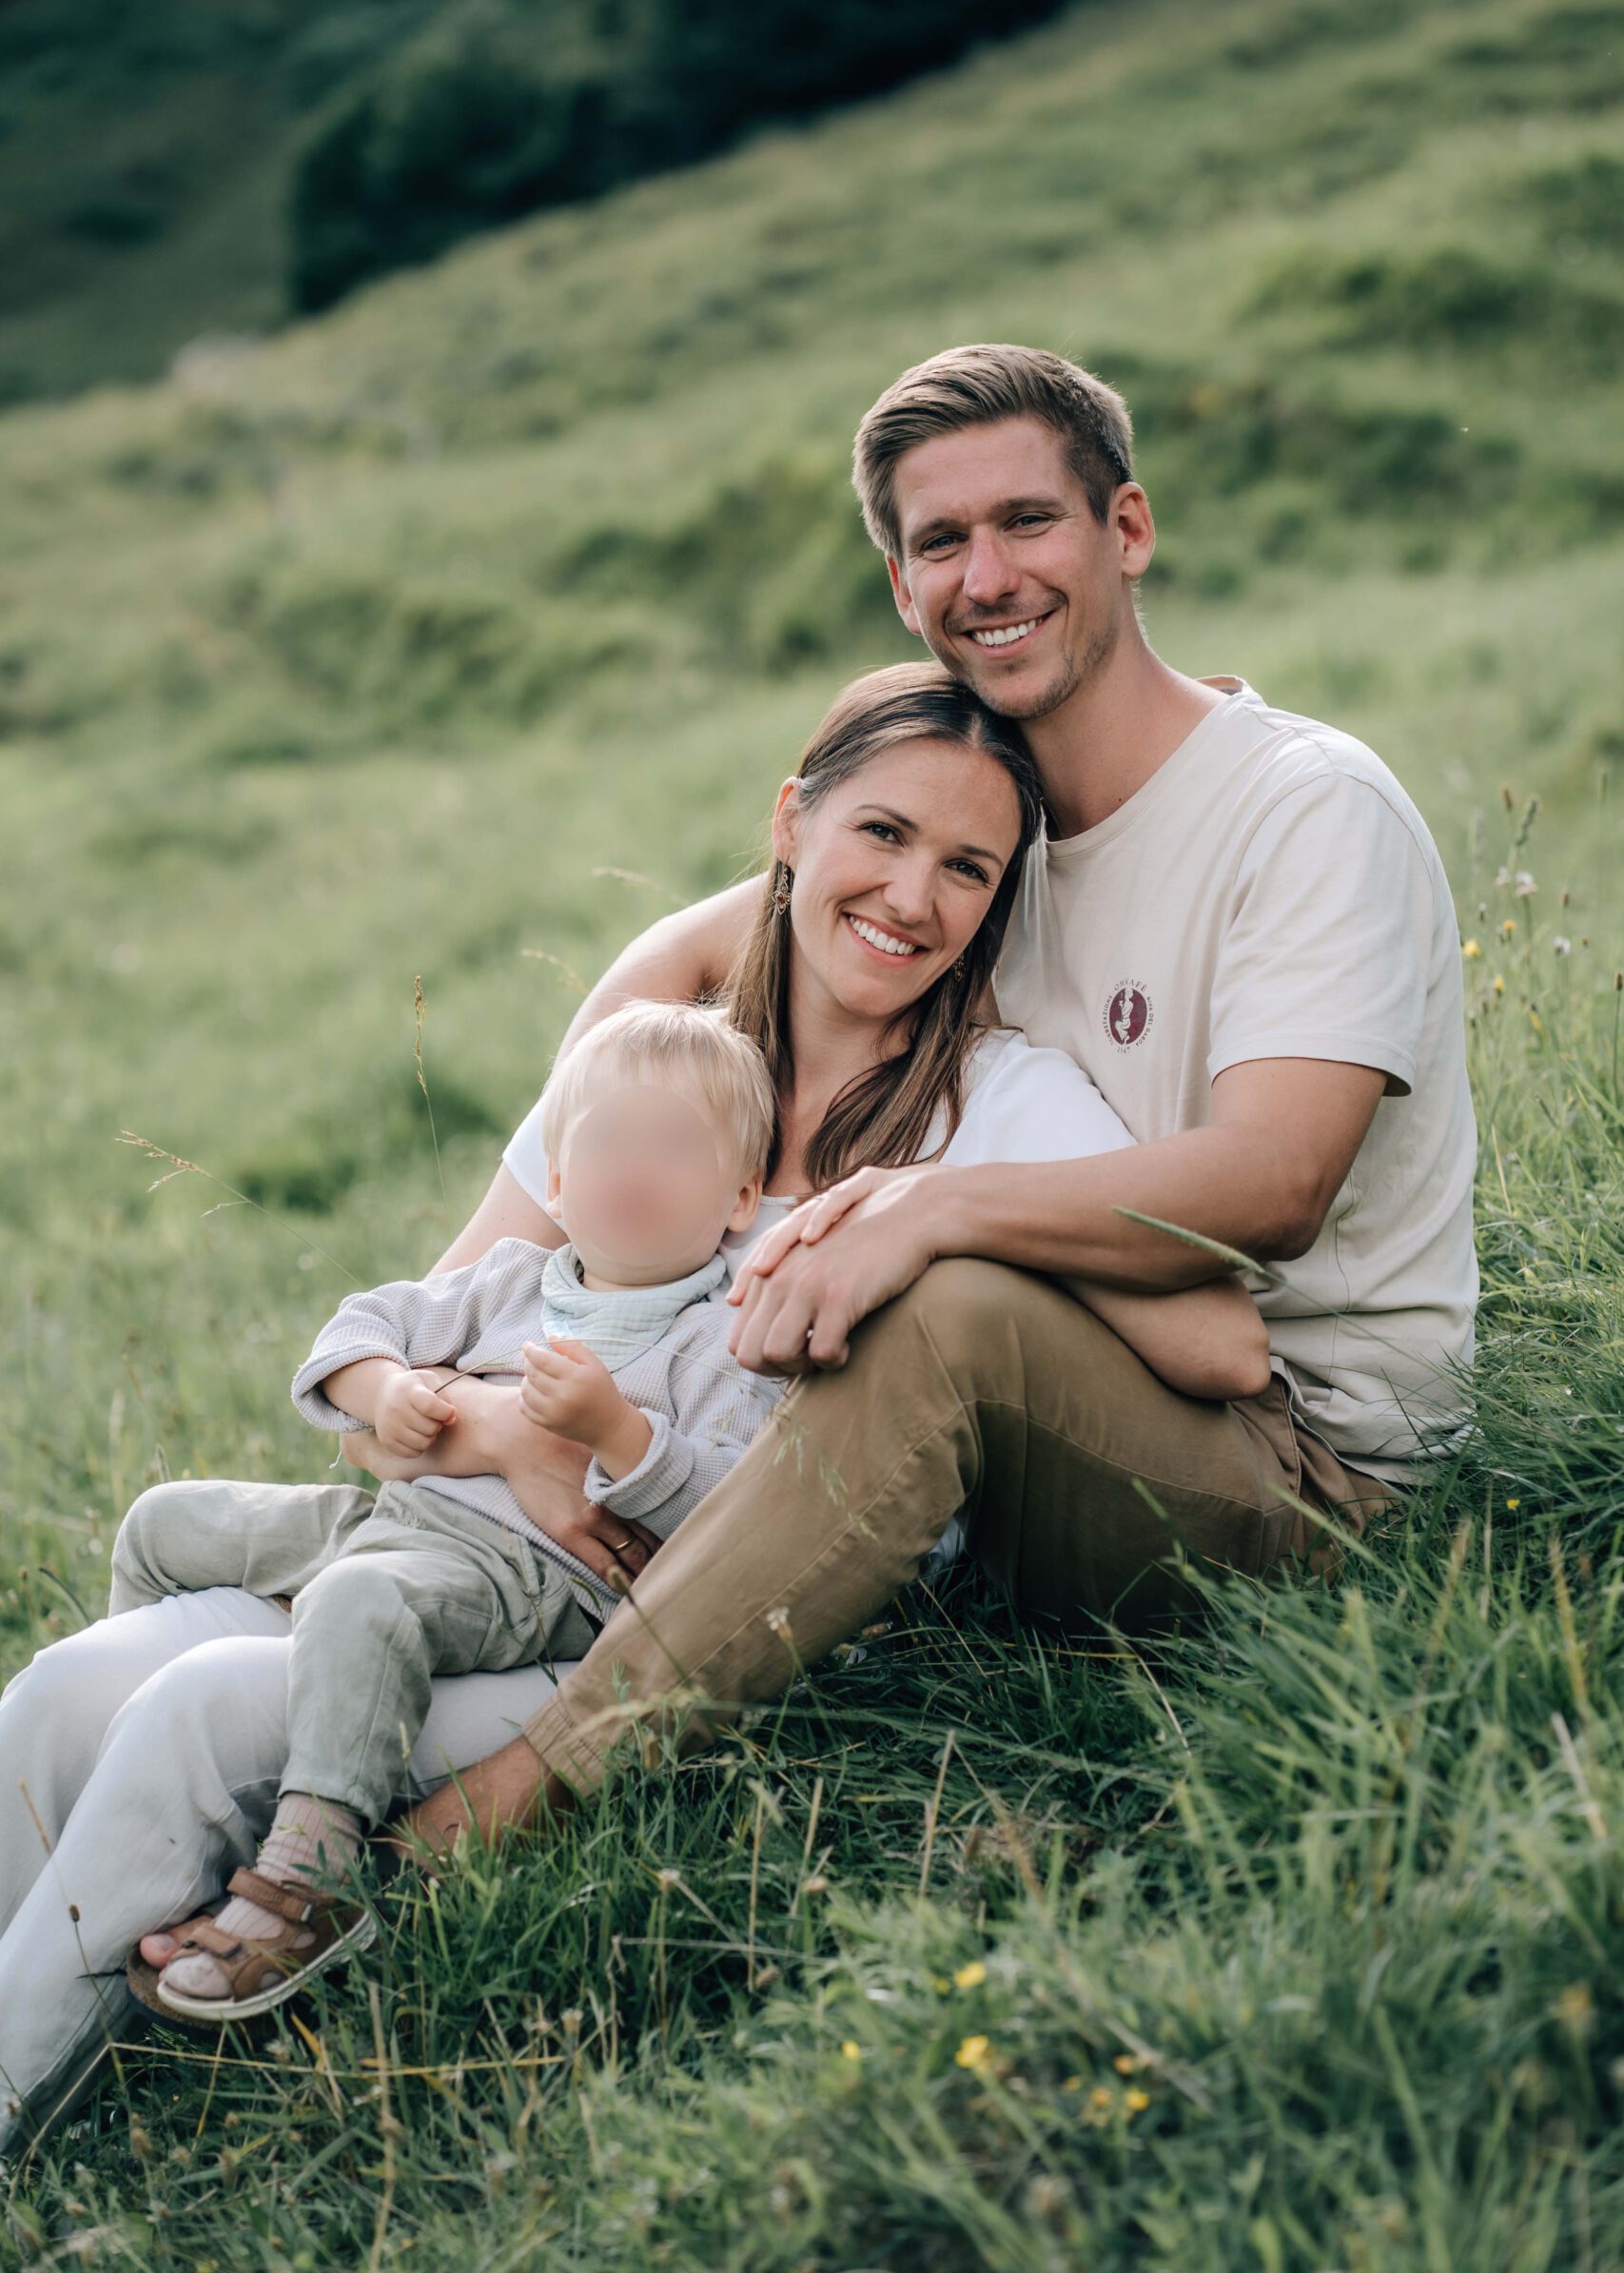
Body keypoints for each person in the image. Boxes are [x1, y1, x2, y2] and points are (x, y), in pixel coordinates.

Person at [0, 659, 1262, 2150]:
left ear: (998, 903)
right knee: (68, 1687)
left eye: (966, 869)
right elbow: (388, 1384)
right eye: (880, 833)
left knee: (203, 1711)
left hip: (667, 1619)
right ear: (790, 822)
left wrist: (930, 1213)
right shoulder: (657, 1063)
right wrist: (510, 1440)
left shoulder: (999, 1101)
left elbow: (1219, 1341)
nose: (911, 897)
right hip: (458, 1542)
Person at [387, 340, 1477, 1856]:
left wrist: (923, 1208)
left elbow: (1275, 1182)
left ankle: (508, 1804)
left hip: (1300, 1464)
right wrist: (636, 1001)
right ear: (902, 589)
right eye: (939, 542)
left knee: (943, 1306)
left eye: (1026, 521)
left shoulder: (1299, 809)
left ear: (1126, 529)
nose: (988, 576)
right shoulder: (981, 842)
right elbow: (746, 926)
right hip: (1057, 1437)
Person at [106, 1000, 782, 2020]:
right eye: (607, 1141)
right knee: (163, 1521)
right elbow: (358, 1327)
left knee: (362, 1600)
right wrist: (383, 1389)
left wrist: (617, 1433)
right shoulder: (510, 1279)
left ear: (740, 1197)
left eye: (675, 1147)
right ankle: (116, 1736)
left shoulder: (717, 1341)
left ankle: (309, 1878)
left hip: (526, 1576)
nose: (635, 1169)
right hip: (395, 1520)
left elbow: (728, 1516)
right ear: (558, 1183)